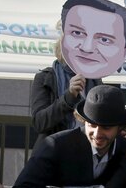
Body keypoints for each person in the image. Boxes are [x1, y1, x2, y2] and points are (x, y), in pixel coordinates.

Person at [30, 21, 102, 151]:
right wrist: (69, 96)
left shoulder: (94, 79)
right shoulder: (45, 77)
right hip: (53, 154)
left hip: (86, 152)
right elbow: (40, 123)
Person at [60, 0, 126, 79]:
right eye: (77, 33)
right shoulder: (49, 79)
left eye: (104, 40)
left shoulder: (96, 83)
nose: (86, 48)